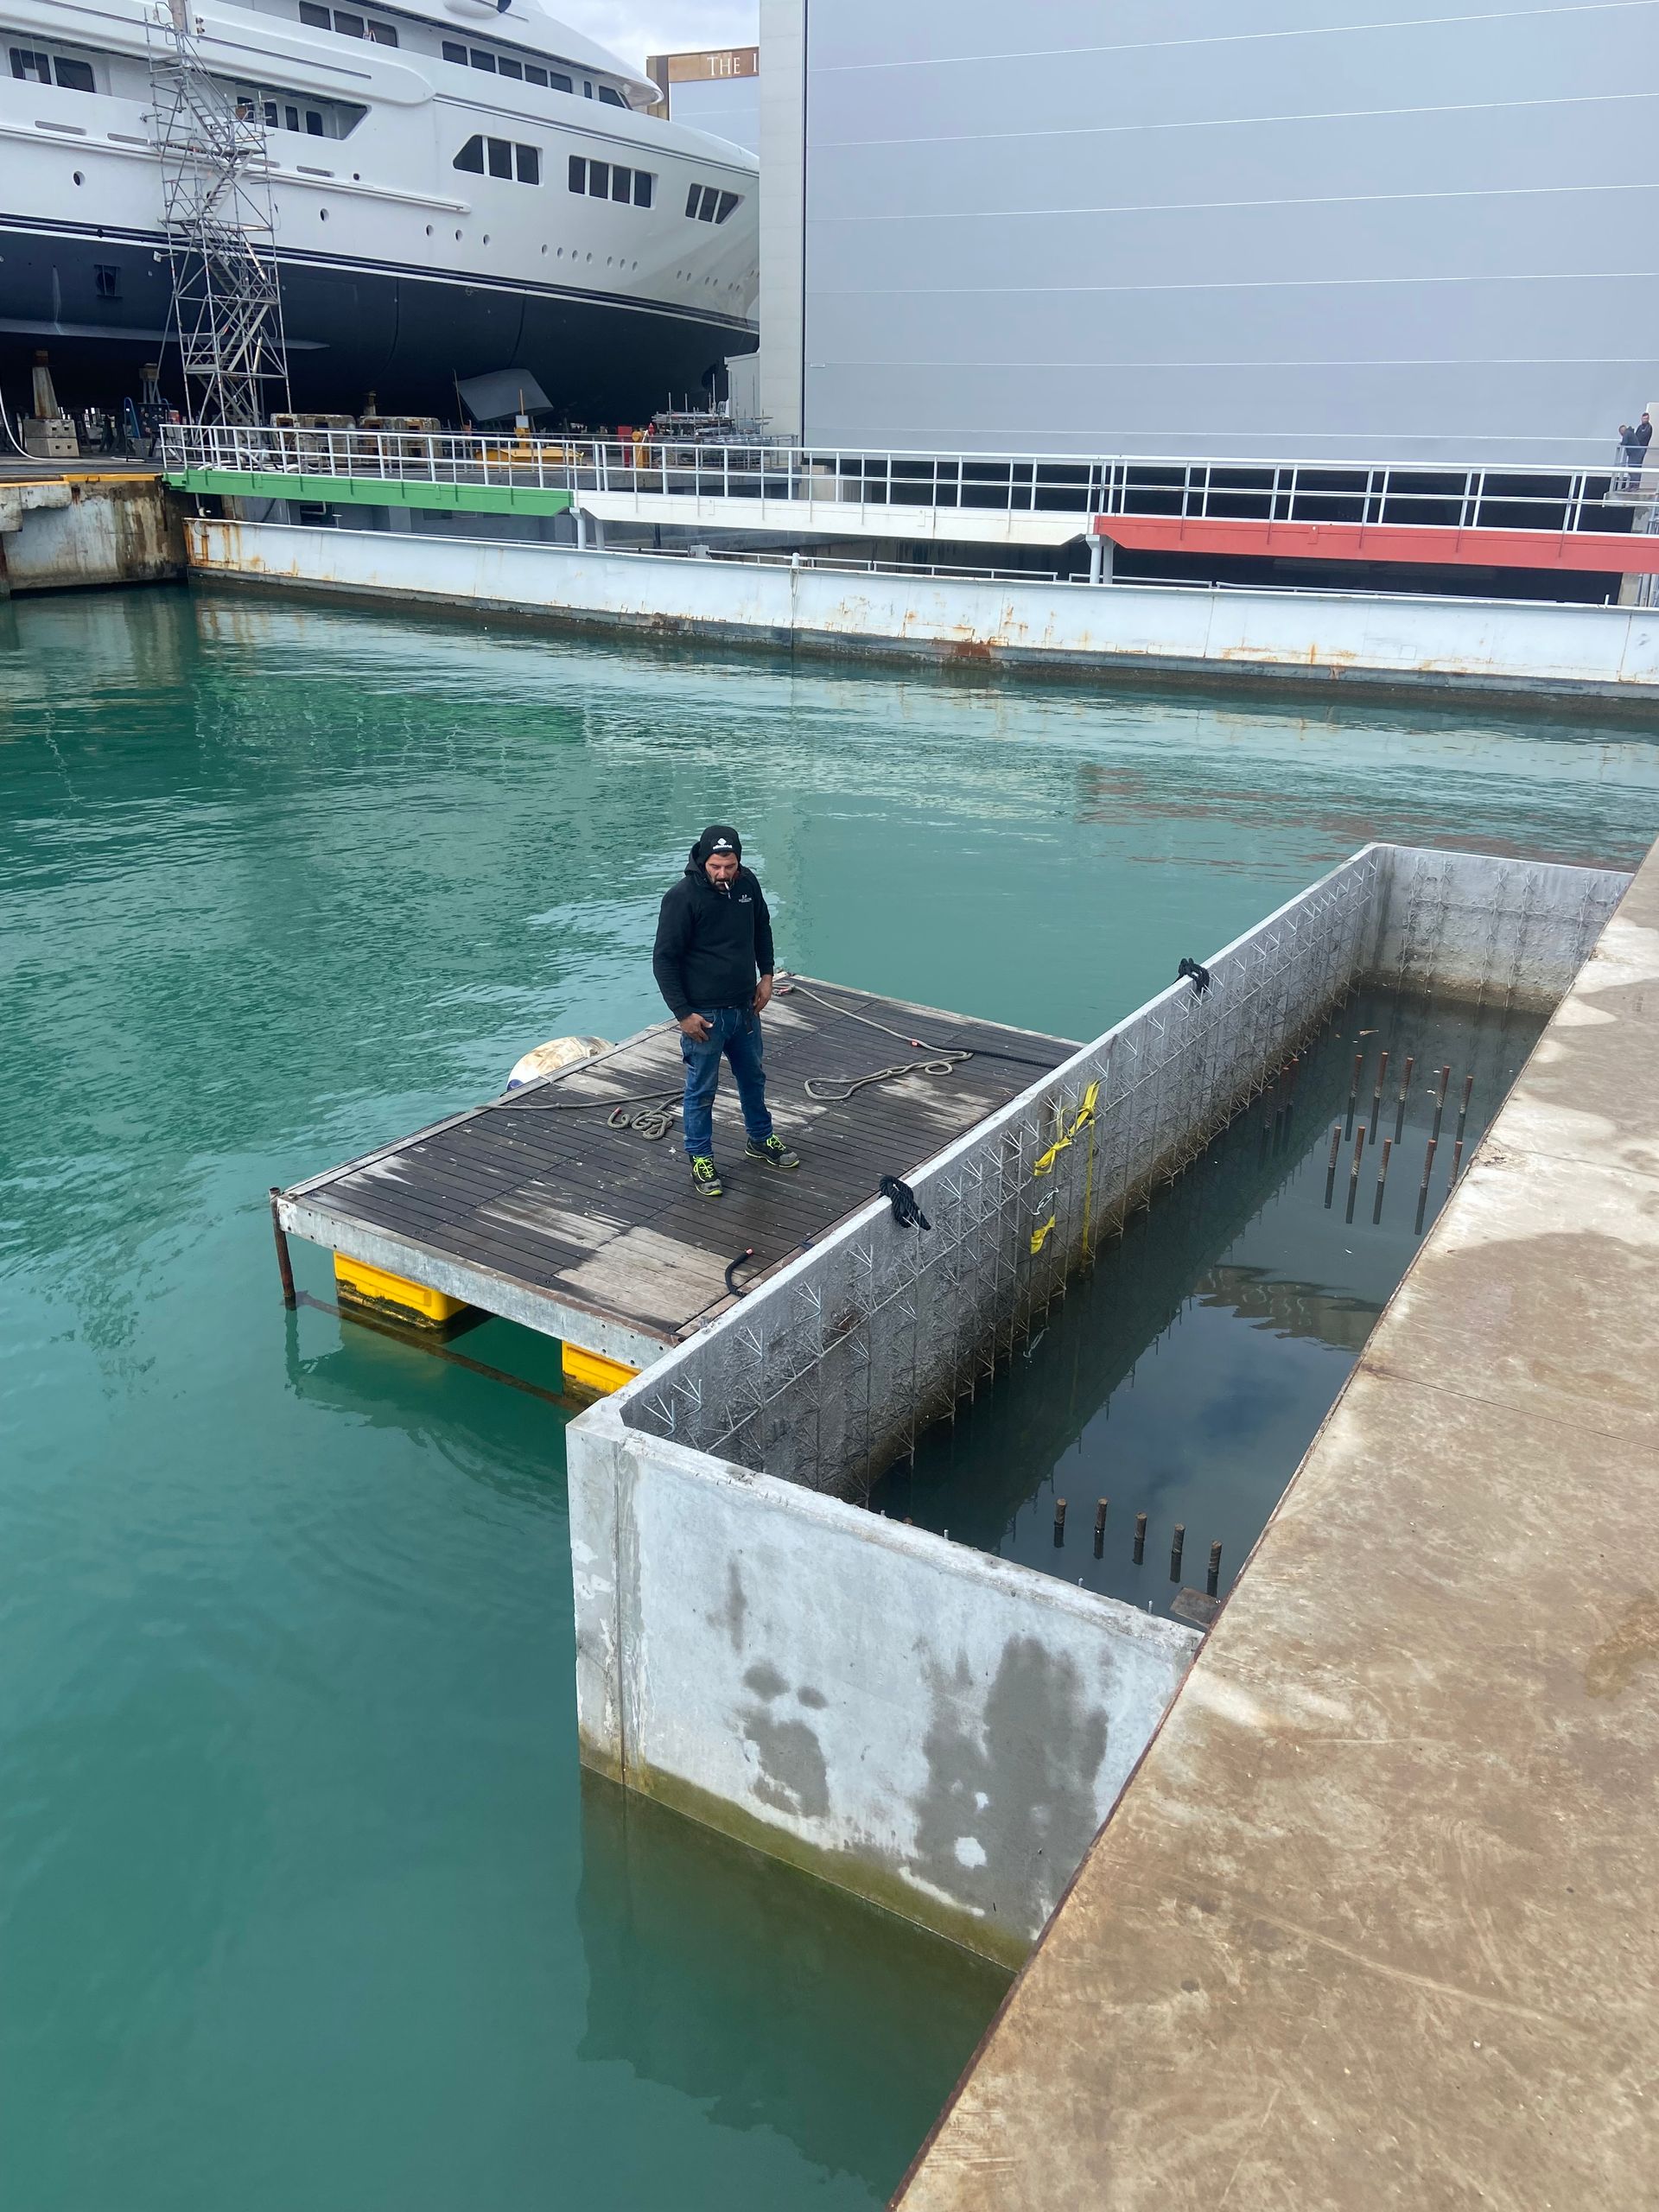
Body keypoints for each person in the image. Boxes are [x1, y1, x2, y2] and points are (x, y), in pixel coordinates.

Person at [652, 823, 801, 1198]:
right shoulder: (681, 898)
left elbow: (761, 928)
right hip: (704, 1016)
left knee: (754, 1079)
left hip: (745, 1008)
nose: (722, 874)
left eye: (729, 866)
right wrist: (683, 1013)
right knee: (701, 1089)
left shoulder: (748, 885)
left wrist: (766, 975)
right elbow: (664, 960)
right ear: (702, 861)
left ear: (739, 862)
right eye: (716, 866)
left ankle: (760, 1138)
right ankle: (700, 1156)